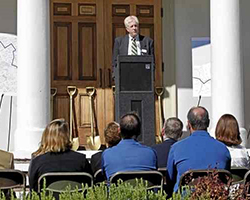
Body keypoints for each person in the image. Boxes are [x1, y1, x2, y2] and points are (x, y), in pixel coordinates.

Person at [167, 106, 231, 192]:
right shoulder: (223, 148)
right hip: (215, 195)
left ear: (189, 124)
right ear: (208, 123)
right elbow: (226, 176)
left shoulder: (176, 148)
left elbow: (170, 178)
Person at [28, 119, 92, 192]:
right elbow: (90, 185)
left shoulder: (38, 161)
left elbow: (33, 188)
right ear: (67, 136)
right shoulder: (81, 159)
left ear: (46, 137)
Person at [102, 112, 157, 179]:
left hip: (117, 189)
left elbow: (104, 177)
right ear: (139, 131)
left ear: (119, 130)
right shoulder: (150, 153)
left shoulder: (107, 154)